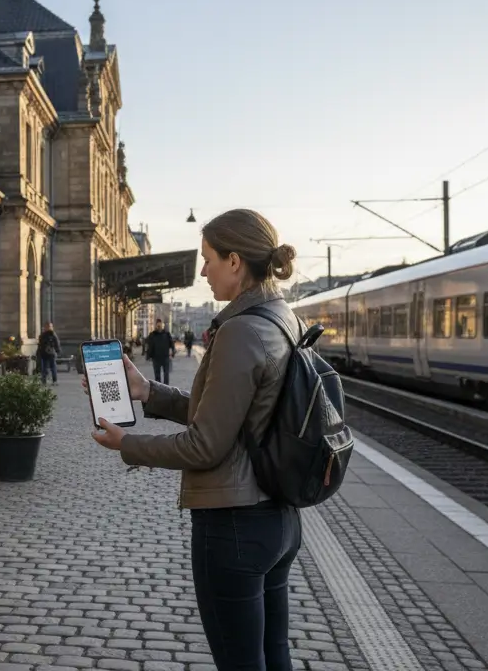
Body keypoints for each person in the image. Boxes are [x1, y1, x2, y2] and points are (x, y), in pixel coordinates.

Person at [87, 208, 302, 671]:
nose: (201, 270)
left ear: (235, 261)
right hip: (278, 518)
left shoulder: (241, 331)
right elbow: (235, 416)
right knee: (273, 654)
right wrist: (149, 393)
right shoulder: (280, 317)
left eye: (207, 259)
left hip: (234, 526)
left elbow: (205, 445)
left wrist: (127, 444)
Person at [143, 319, 175, 384]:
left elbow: (171, 344)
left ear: (162, 325)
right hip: (156, 358)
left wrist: (173, 352)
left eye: (160, 325)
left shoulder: (167, 334)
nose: (159, 327)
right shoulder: (152, 335)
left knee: (166, 374)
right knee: (157, 375)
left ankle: (166, 388)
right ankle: (159, 388)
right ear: (156, 326)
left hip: (165, 357)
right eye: (158, 325)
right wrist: (148, 355)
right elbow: (149, 345)